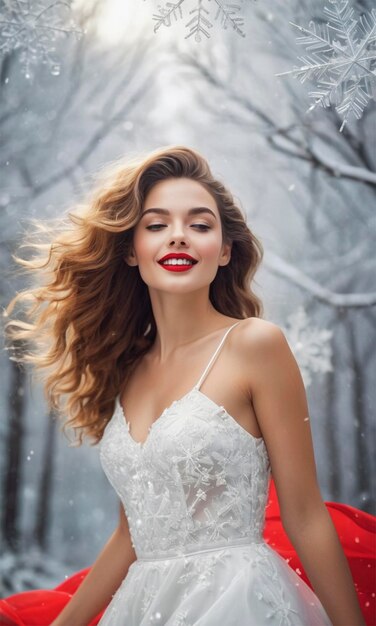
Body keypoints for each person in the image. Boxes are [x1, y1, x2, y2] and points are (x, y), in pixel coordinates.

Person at [3, 145, 369, 626]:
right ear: (131, 251)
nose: (178, 237)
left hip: (237, 600)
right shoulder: (129, 368)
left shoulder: (255, 345)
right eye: (156, 225)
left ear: (225, 250)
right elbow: (130, 536)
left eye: (199, 225)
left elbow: (304, 515)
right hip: (145, 607)